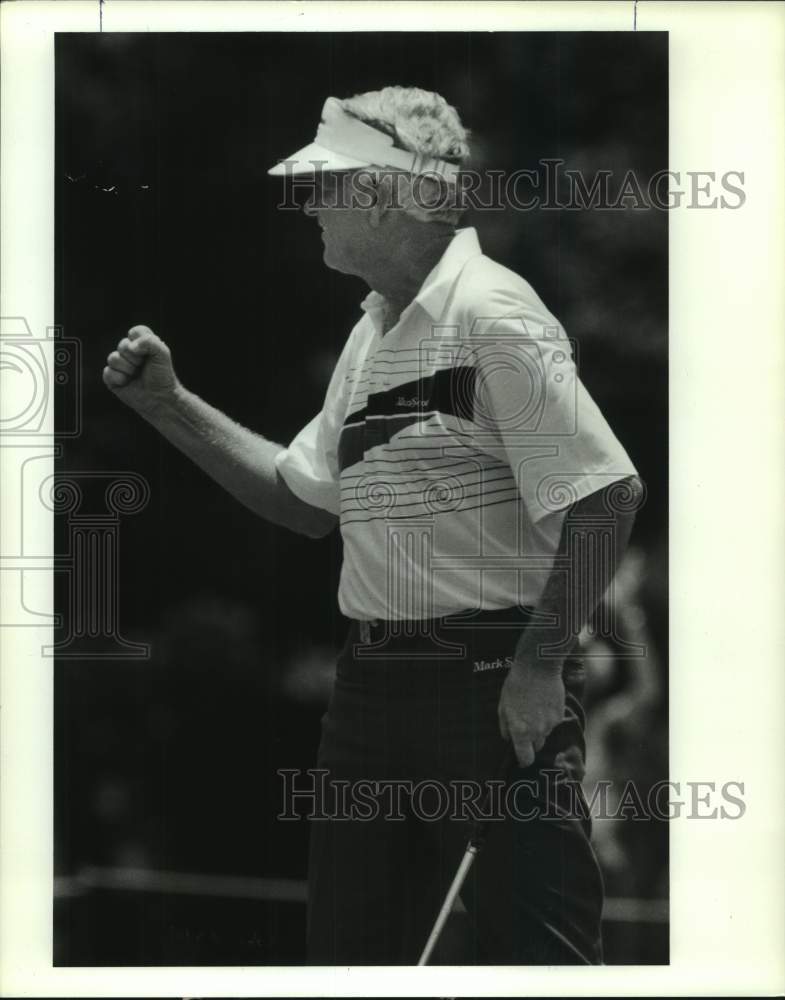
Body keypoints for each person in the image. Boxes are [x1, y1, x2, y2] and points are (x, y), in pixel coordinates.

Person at [103, 86, 643, 965]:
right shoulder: (373, 332)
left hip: (491, 685)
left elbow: (605, 494)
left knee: (532, 966)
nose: (307, 203)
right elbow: (302, 501)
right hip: (370, 691)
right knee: (352, 964)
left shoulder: (493, 314)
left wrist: (538, 667)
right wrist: (167, 406)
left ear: (384, 193)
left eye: (323, 185)